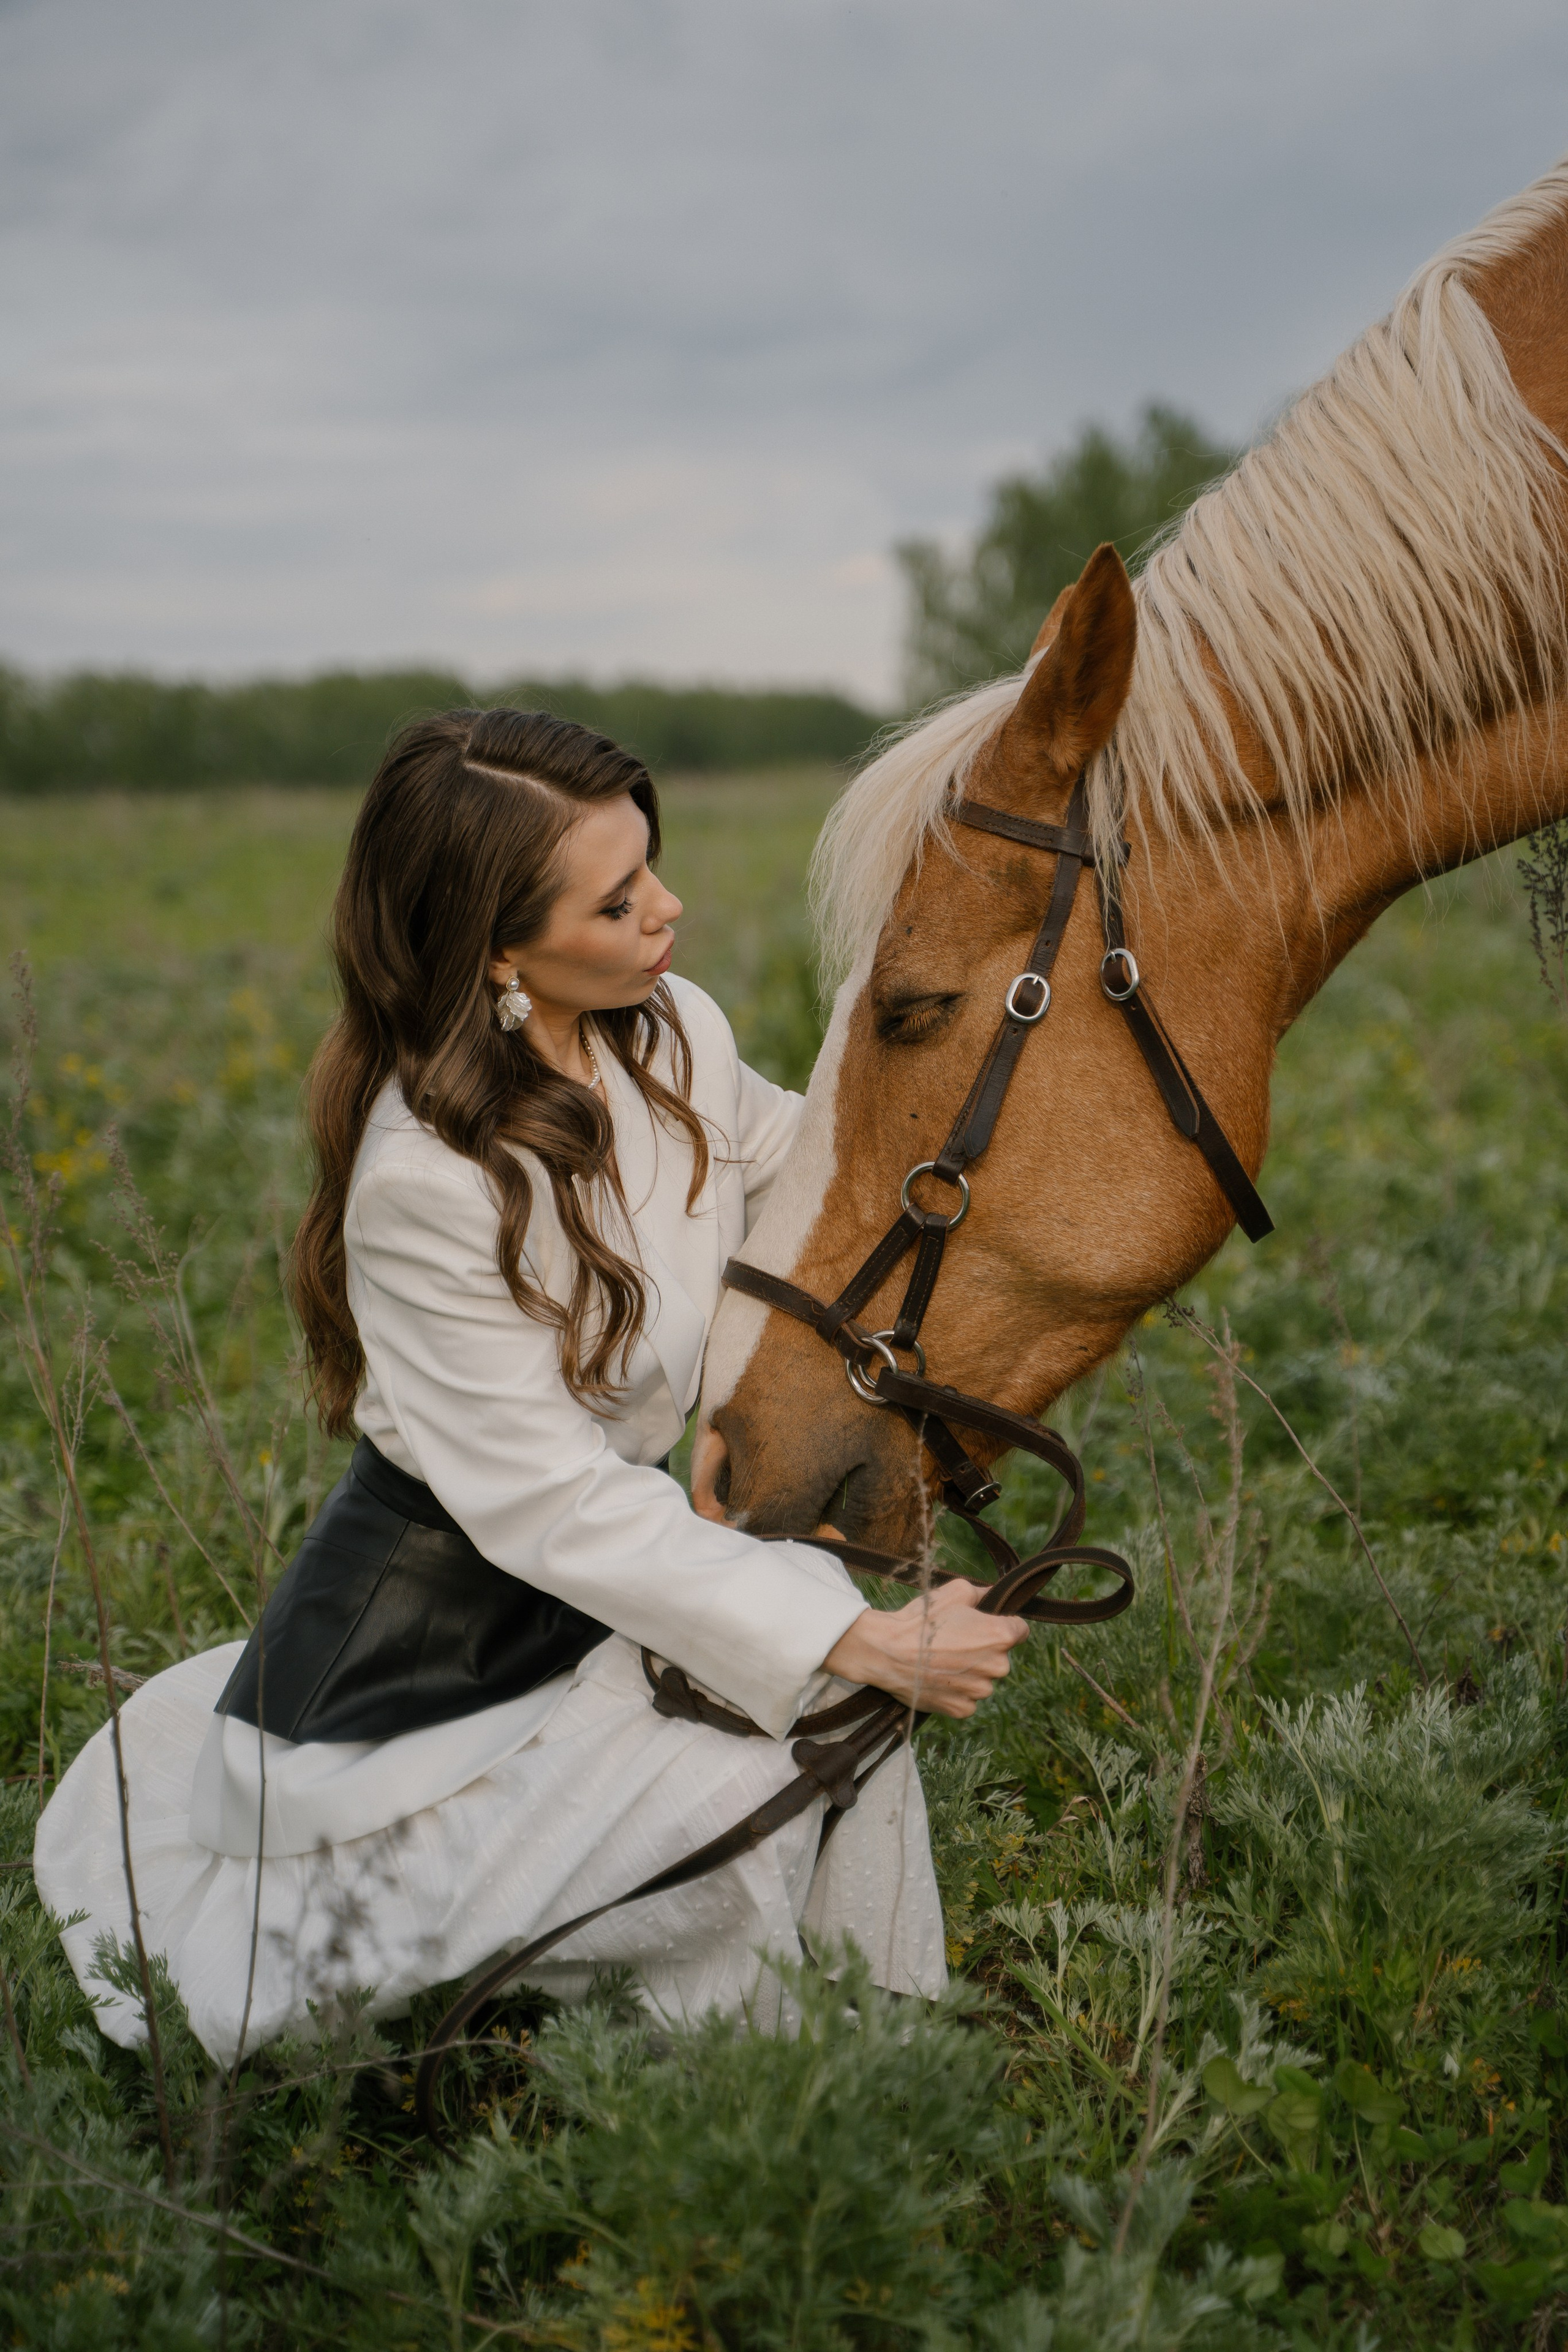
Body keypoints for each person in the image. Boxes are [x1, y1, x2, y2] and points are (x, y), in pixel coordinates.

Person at [33, 710, 1027, 2065]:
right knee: (782, 1734)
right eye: (617, 901)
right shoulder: (421, 1184)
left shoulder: (664, 1029)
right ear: (498, 951)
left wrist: (1020, 1190)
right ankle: (703, 2097)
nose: (668, 909)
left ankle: (854, 2046)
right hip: (434, 1654)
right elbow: (546, 1503)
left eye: (653, 865)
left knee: (826, 1700)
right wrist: (853, 1641)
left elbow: (812, 1186)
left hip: (599, 1577)